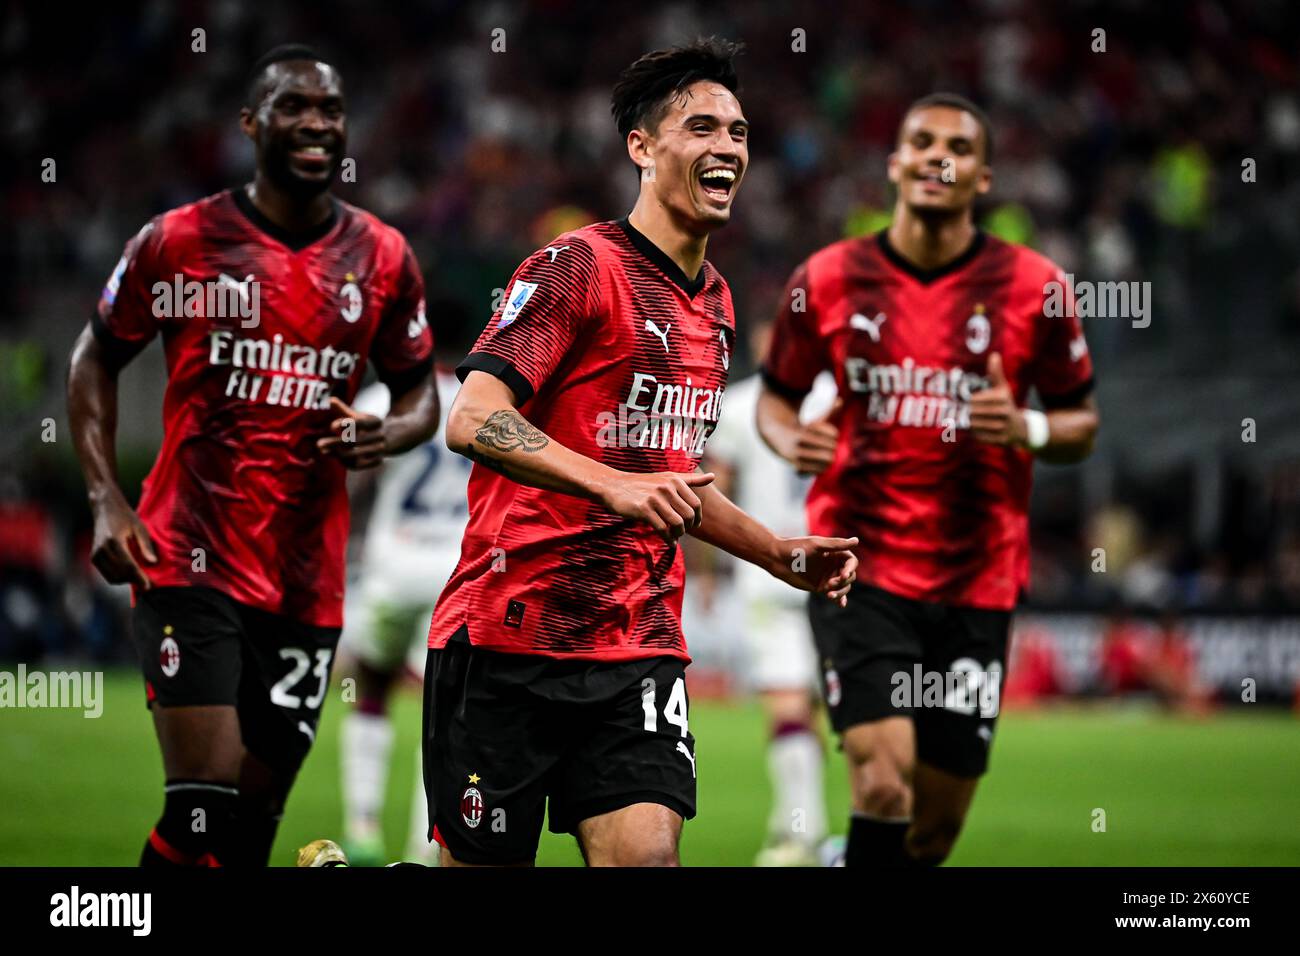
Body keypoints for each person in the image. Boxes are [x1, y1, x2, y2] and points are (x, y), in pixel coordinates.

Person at [422, 38, 858, 867]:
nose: (728, 146)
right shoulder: (575, 268)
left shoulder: (718, 305)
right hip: (510, 636)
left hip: (637, 645)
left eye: (737, 131)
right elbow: (473, 417)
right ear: (643, 147)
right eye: (702, 127)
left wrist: (776, 552)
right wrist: (609, 485)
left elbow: (674, 480)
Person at [66, 44, 438, 867]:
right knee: (203, 803)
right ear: (250, 125)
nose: (315, 123)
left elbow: (421, 397)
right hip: (187, 557)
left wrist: (390, 432)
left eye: (330, 110)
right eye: (293, 106)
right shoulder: (181, 242)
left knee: (250, 827)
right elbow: (93, 358)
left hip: (307, 579)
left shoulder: (382, 258)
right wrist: (104, 497)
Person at [758, 93, 1099, 866]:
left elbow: (1082, 422)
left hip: (976, 583)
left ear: (982, 176)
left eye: (958, 146)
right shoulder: (829, 277)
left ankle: (844, 859)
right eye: (920, 140)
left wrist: (1031, 429)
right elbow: (775, 402)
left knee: (931, 834)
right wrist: (793, 439)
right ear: (895, 164)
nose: (937, 155)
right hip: (858, 569)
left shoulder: (1035, 287)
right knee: (882, 786)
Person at [703, 318, 837, 866]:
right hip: (842, 568)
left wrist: (709, 571)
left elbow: (712, 492)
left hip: (770, 569)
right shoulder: (846, 398)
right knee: (816, 709)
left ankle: (798, 836)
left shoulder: (738, 406)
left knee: (787, 707)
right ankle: (809, 829)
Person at [338, 365, 469, 866]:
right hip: (454, 569)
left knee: (371, 685)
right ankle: (425, 845)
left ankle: (364, 826)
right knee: (441, 711)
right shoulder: (486, 394)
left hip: (392, 566)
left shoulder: (385, 396)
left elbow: (354, 475)